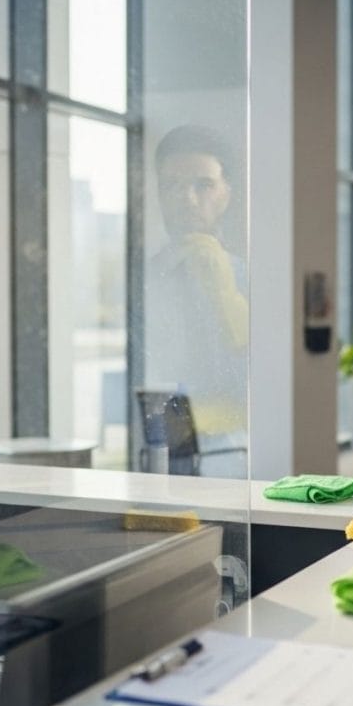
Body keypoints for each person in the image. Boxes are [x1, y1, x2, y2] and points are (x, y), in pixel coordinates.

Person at [145, 125, 248, 475]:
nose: (187, 198)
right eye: (172, 185)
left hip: (236, 450)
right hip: (155, 445)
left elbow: (264, 373)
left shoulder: (252, 278)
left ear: (227, 193)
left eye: (203, 185)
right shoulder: (143, 280)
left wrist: (224, 290)